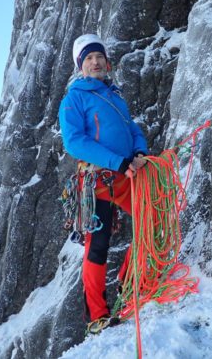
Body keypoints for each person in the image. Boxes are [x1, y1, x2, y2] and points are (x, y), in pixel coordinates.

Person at [58, 34, 149, 334]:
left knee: (152, 220)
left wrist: (139, 152)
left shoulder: (114, 96)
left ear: (107, 62)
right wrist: (119, 162)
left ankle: (130, 281)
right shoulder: (75, 98)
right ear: (80, 67)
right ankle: (97, 316)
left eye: (99, 57)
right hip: (98, 181)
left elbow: (131, 127)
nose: (95, 62)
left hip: (126, 174)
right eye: (88, 59)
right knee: (97, 246)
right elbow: (74, 141)